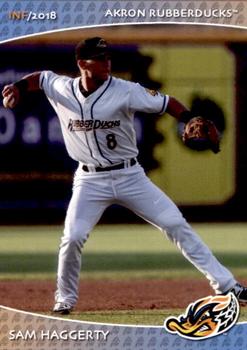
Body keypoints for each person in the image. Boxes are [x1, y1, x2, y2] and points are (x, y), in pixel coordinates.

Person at [2, 37, 247, 315]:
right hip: (89, 180)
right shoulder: (63, 88)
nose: (107, 62)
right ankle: (64, 299)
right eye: (100, 58)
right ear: (83, 64)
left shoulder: (125, 90)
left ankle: (226, 285)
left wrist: (188, 118)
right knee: (72, 237)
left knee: (175, 224)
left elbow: (167, 102)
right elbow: (42, 78)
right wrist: (17, 87)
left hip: (130, 176)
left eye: (108, 57)